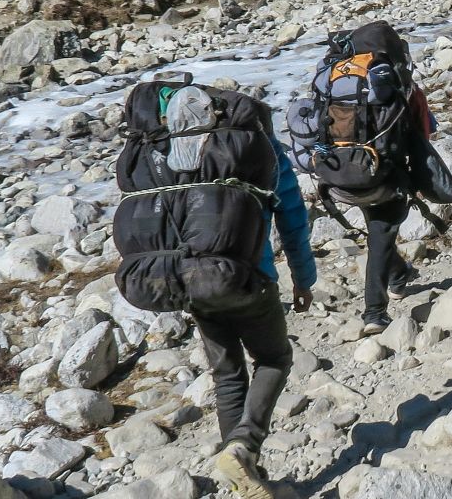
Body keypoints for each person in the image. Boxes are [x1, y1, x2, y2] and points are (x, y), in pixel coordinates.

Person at [113, 78, 316, 499]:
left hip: (186, 279)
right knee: (275, 358)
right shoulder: (257, 149)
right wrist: (303, 278)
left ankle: (244, 473)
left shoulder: (162, 155)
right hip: (248, 278)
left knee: (228, 375)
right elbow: (292, 218)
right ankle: (244, 446)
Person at [288, 20, 452, 334]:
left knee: (378, 229)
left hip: (337, 173)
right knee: (381, 234)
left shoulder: (332, 83)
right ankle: (374, 312)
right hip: (384, 174)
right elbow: (424, 133)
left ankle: (399, 275)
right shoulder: (399, 86)